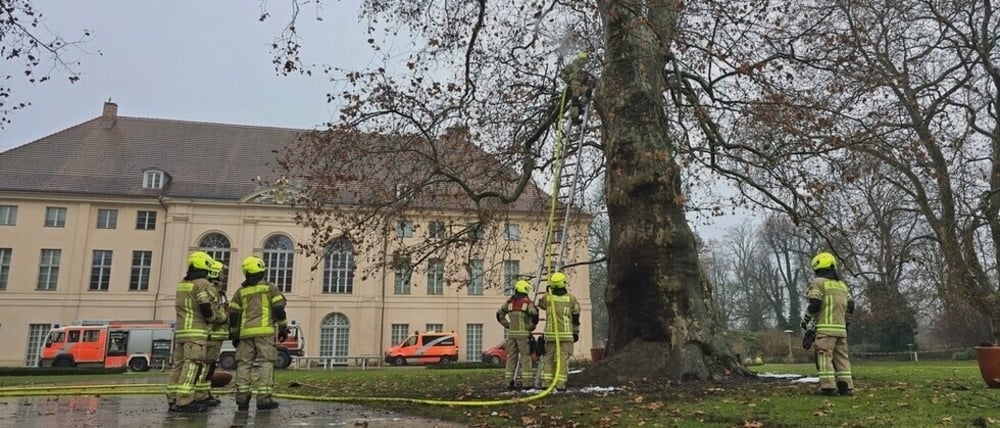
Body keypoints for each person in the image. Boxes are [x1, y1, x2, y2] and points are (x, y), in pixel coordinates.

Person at [229, 256, 290, 411]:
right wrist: (283, 327)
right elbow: (279, 309)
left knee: (244, 364)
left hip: (245, 334)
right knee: (266, 362)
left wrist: (235, 335)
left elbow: (233, 315)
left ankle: (242, 400)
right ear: (262, 270)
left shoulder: (240, 292)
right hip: (265, 333)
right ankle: (264, 399)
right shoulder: (270, 288)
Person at [166, 251, 225, 413]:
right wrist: (216, 318)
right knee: (192, 365)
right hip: (196, 333)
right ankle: (184, 400)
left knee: (178, 365)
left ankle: (172, 398)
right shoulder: (202, 284)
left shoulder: (182, 284)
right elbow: (206, 306)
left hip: (181, 332)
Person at [800, 251, 855, 396]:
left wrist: (805, 320)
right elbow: (851, 305)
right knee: (842, 358)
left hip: (825, 330)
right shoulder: (842, 286)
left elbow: (815, 304)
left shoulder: (818, 283)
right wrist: (846, 323)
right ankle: (846, 387)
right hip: (841, 330)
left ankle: (828, 387)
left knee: (824, 356)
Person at [536, 271, 581, 391]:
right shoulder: (571, 299)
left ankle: (546, 383)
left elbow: (541, 305)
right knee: (563, 360)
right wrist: (576, 332)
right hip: (566, 335)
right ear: (563, 283)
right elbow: (576, 317)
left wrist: (548, 291)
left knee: (548, 359)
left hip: (550, 335)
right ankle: (560, 384)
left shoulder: (547, 297)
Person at [194, 260, 230, 407]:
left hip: (215, 335)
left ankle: (204, 392)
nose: (223, 276)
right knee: (206, 366)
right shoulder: (211, 289)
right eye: (221, 273)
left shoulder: (217, 290)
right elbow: (213, 310)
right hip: (211, 334)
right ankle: (201, 395)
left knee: (210, 366)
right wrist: (224, 317)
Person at [496, 279, 539, 390]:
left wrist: (507, 325)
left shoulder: (509, 302)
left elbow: (499, 314)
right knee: (526, 358)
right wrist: (531, 327)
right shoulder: (527, 303)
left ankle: (508, 382)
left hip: (511, 335)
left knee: (511, 358)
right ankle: (526, 383)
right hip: (523, 336)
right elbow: (535, 315)